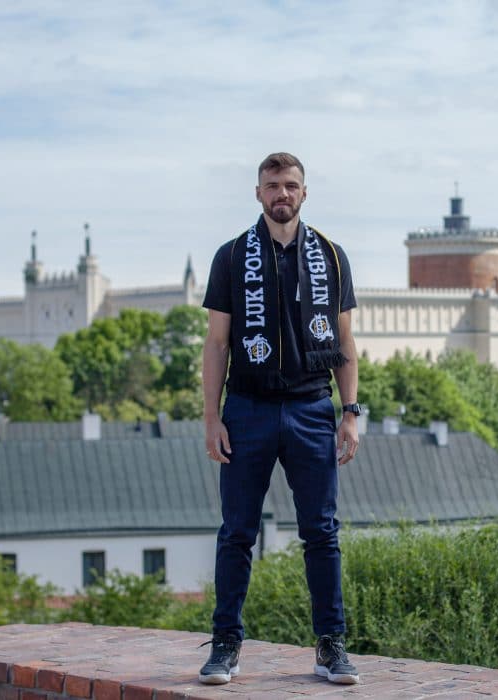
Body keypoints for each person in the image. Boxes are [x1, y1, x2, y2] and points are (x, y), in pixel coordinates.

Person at [198, 152, 362, 686]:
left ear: (305, 193)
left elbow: (345, 343)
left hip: (313, 407)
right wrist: (211, 417)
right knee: (237, 533)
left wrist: (350, 413)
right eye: (273, 186)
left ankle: (331, 646)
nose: (282, 194)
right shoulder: (231, 256)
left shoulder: (331, 258)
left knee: (322, 532)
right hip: (246, 408)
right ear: (258, 193)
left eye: (291, 185)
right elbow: (217, 343)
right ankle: (226, 645)